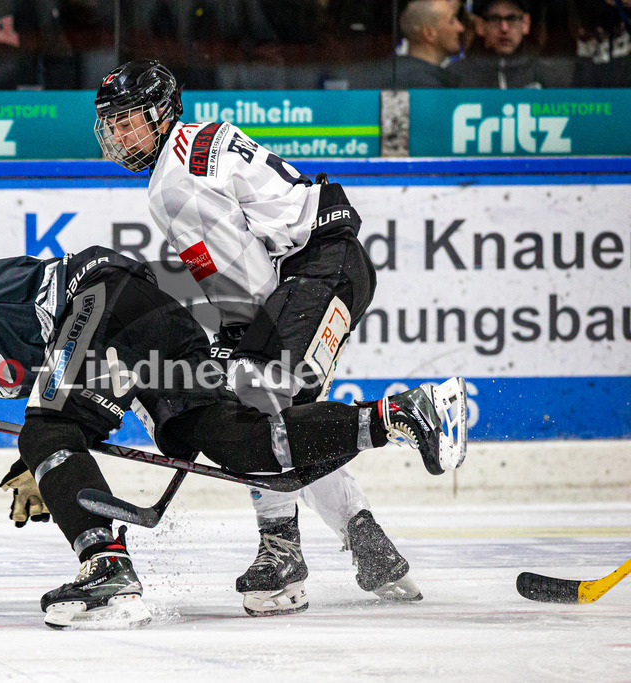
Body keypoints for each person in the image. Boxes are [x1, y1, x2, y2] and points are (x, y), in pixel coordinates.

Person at [0, 247, 467, 629]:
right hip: (141, 317)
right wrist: (49, 465)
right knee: (232, 440)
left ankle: (107, 567)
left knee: (47, 423)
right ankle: (397, 416)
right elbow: (62, 389)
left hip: (98, 296)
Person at [92, 59, 466, 617]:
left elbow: (249, 282)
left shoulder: (171, 186)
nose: (120, 136)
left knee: (252, 400)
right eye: (112, 125)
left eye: (129, 121)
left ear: (162, 110)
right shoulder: (198, 140)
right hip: (335, 265)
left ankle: (284, 550)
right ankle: (368, 541)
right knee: (286, 424)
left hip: (312, 272)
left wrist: (233, 345)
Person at [448, 0, 567, 87]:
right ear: (480, 25)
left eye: (512, 19)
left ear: (525, 23)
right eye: (494, 19)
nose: (504, 28)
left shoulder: (548, 75)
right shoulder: (455, 76)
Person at [394, 0, 466, 87]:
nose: (460, 28)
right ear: (429, 33)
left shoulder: (389, 73)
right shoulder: (432, 86)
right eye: (451, 21)